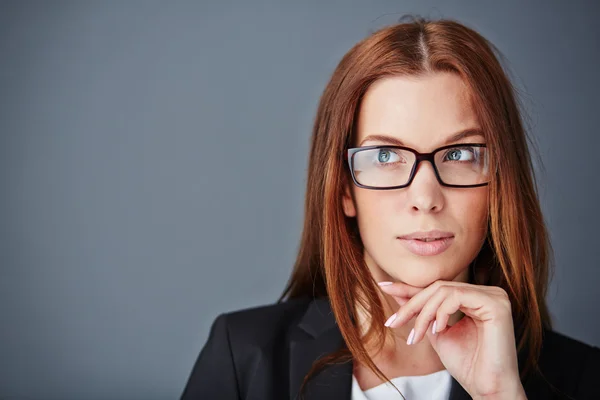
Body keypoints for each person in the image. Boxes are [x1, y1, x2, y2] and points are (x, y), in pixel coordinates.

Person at [180, 16, 600, 400]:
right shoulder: (246, 358)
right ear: (345, 190)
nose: (425, 198)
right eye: (384, 156)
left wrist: (499, 396)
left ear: (500, 186)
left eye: (459, 155)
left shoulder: (581, 377)